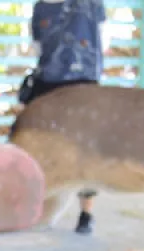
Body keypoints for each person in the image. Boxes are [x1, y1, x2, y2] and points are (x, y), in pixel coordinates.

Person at [20, 0, 109, 234]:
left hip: (79, 85)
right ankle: (50, 213)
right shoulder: (43, 7)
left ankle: (85, 214)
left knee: (85, 152)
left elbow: (37, 46)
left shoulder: (88, 4)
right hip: (52, 85)